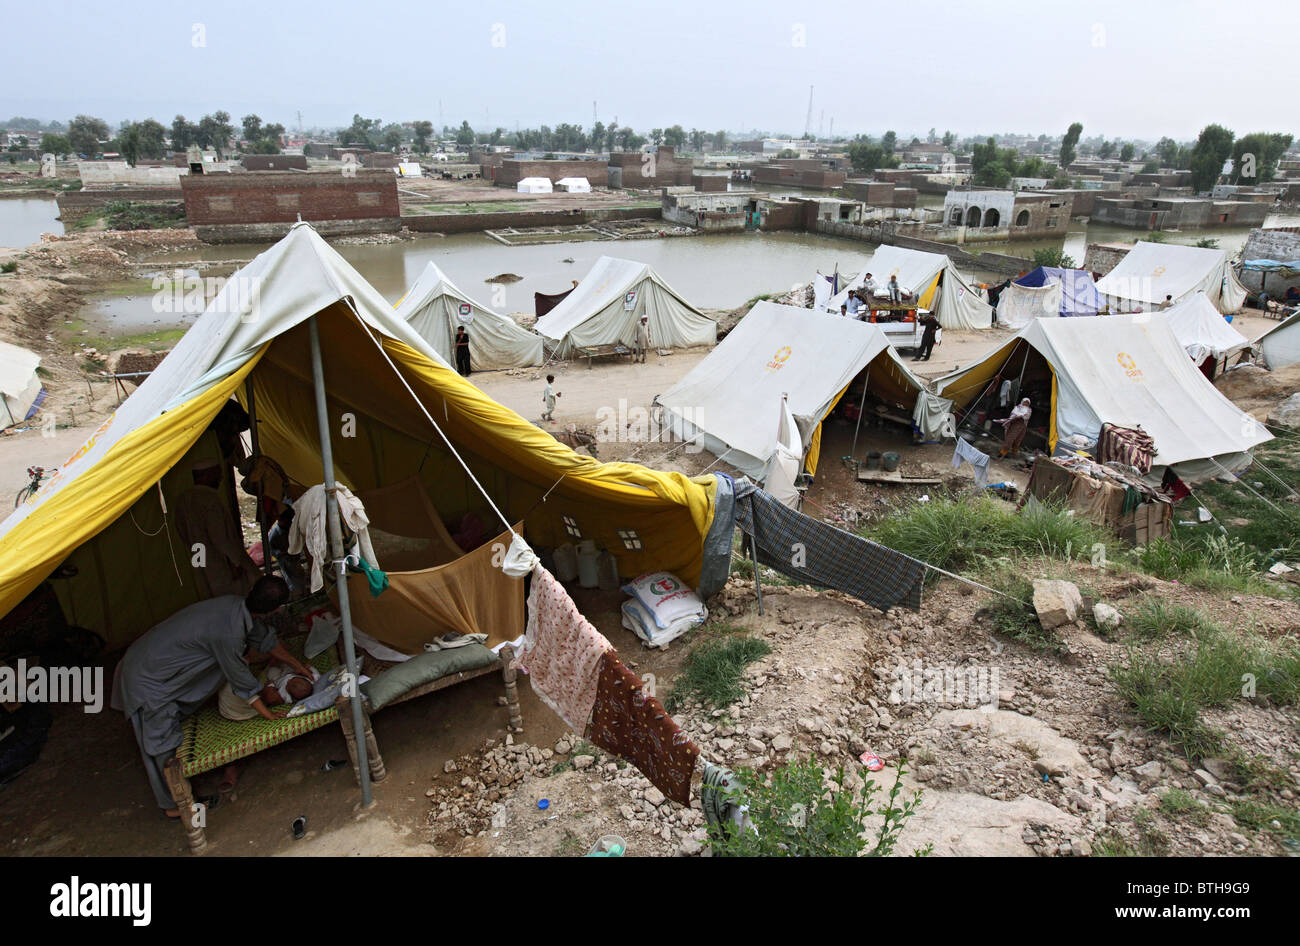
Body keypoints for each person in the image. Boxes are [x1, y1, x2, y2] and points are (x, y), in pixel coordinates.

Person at [113, 576, 313, 817]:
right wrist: (269, 715)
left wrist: (297, 666)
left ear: (251, 589)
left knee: (170, 719)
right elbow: (242, 680)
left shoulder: (236, 606)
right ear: (276, 609)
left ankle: (176, 796)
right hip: (146, 675)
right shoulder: (229, 635)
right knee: (160, 742)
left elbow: (266, 640)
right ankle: (175, 804)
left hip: (148, 654)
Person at [174, 458, 262, 599]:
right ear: (206, 475)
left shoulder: (183, 500)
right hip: (220, 561)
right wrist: (235, 562)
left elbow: (183, 532)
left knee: (208, 593)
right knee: (232, 598)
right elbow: (220, 537)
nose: (220, 478)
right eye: (217, 474)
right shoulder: (209, 500)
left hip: (199, 557)